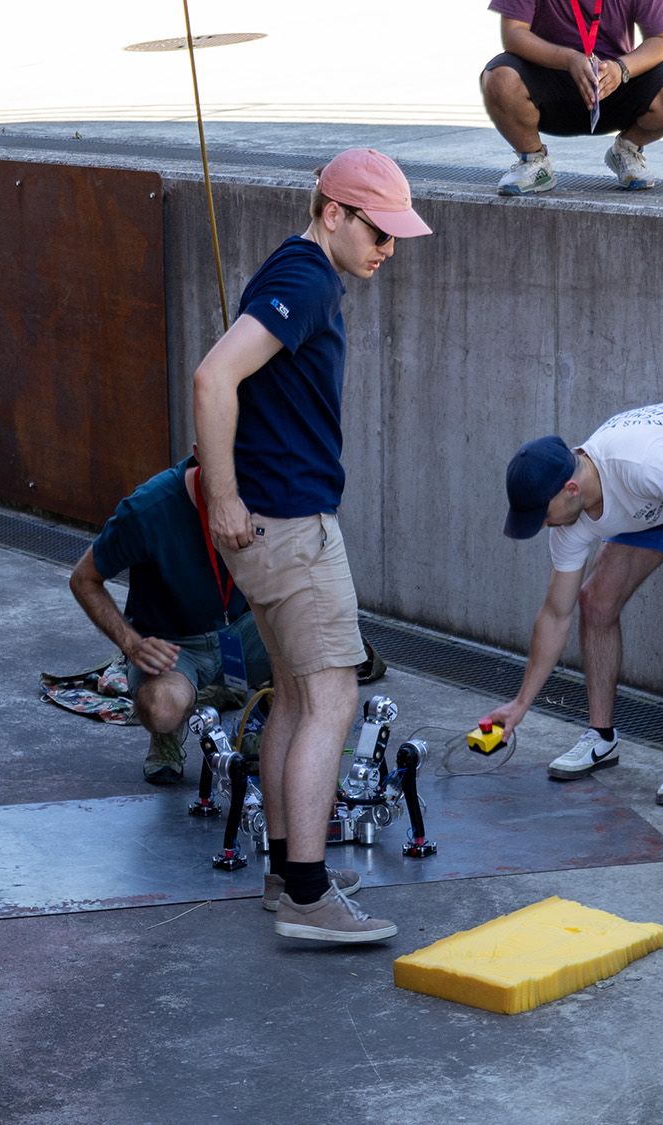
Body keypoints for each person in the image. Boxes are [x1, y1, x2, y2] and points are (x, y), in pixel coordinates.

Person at [194, 148, 431, 942]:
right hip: (292, 527)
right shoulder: (308, 280)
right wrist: (222, 494)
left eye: (396, 235)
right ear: (334, 213)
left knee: (296, 699)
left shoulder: (296, 271)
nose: (388, 248)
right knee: (333, 699)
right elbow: (213, 378)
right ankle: (306, 895)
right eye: (379, 232)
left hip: (271, 525)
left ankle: (286, 874)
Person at [481, 402, 663, 805]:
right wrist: (521, 703)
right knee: (595, 600)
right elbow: (556, 614)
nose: (543, 525)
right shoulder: (571, 515)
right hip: (662, 497)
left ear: (571, 489)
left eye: (542, 516)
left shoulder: (640, 462)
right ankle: (601, 737)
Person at [69, 456, 273, 785]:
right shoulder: (148, 508)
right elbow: (84, 580)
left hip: (240, 630)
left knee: (319, 645)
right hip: (174, 645)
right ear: (200, 450)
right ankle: (170, 729)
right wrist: (131, 644)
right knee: (163, 709)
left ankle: (259, 722)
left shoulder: (269, 492)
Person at [479, 0, 663, 195]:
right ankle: (533, 161)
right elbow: (514, 33)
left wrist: (622, 68)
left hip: (613, 81)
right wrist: (568, 59)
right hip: (548, 79)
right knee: (499, 79)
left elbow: (659, 39)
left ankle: (627, 149)